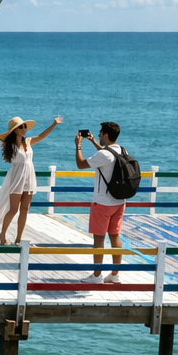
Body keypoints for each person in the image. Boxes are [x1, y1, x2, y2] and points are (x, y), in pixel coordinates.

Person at [0, 115, 62, 245]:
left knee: (25, 209)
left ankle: (18, 239)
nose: (24, 129)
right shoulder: (9, 145)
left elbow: (41, 136)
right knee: (13, 209)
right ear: (14, 129)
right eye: (21, 127)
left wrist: (54, 124)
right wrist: (8, 134)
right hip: (17, 178)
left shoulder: (28, 141)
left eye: (24, 126)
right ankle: (2, 235)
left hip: (29, 177)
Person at [75, 121, 134, 282]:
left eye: (101, 133)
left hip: (102, 203)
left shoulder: (103, 155)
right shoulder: (122, 150)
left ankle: (96, 275)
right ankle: (115, 274)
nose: (99, 134)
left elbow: (80, 164)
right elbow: (108, 156)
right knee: (115, 236)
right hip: (119, 201)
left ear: (106, 134)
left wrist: (78, 146)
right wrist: (94, 142)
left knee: (99, 239)